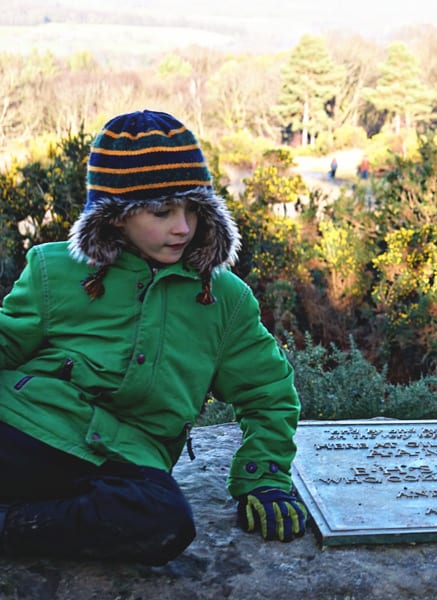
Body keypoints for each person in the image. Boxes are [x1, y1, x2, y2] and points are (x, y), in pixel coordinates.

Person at [0, 110, 307, 565]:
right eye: (162, 212)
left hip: (123, 461)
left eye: (193, 211)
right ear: (117, 217)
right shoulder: (55, 269)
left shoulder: (224, 300)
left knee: (164, 522)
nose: (182, 227)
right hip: (27, 427)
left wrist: (263, 476)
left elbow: (269, 394)